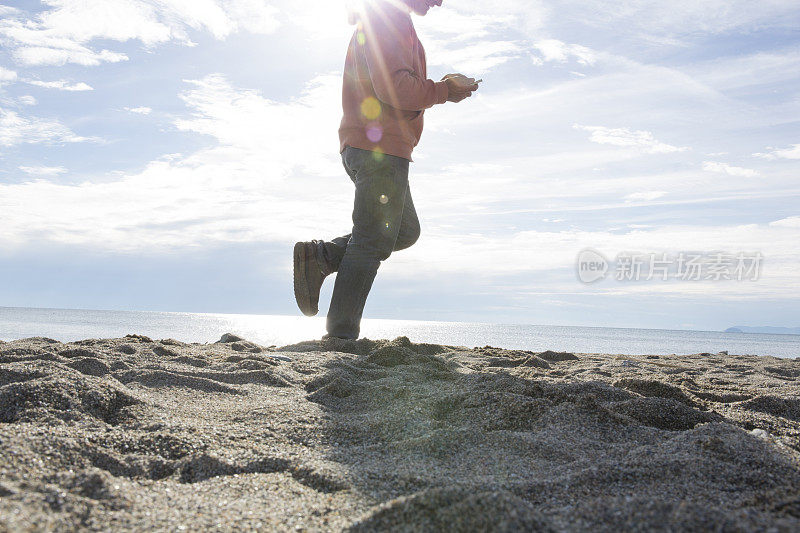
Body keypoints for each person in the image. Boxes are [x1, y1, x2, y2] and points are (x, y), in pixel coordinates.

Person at [293, 0, 478, 340]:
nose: (439, 1)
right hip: (379, 147)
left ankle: (322, 256)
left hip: (373, 144)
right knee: (371, 240)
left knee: (404, 231)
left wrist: (442, 89)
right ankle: (340, 337)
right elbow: (395, 88)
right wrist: (443, 91)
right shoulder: (387, 19)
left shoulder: (382, 18)